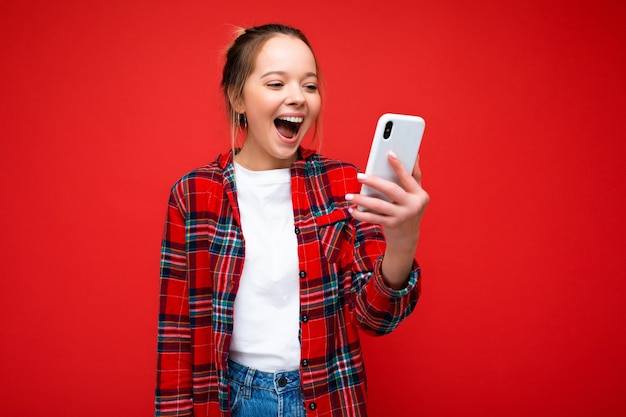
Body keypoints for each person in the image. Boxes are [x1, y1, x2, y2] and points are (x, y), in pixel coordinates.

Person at [155, 23, 429, 417]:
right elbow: (177, 335)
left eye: (310, 86)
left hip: (327, 398)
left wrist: (404, 241)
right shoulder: (194, 193)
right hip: (233, 400)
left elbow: (375, 319)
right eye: (275, 84)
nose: (297, 98)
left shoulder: (344, 184)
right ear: (237, 97)